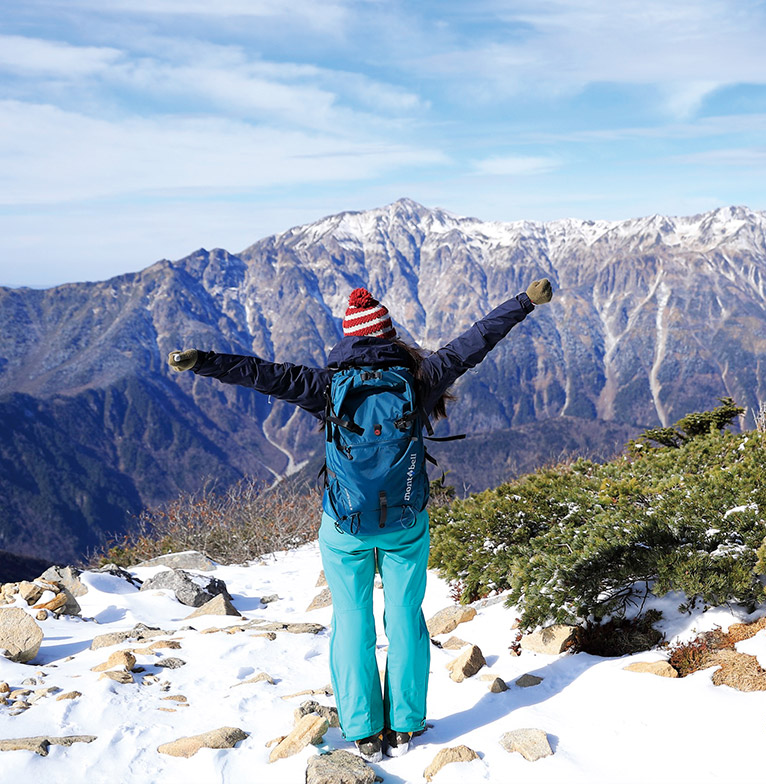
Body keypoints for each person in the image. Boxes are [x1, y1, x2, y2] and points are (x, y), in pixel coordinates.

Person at [167, 277, 553, 761]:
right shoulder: (421, 378)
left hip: (344, 526)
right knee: (406, 619)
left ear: (347, 340)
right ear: (391, 337)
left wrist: (202, 362)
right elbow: (476, 341)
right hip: (405, 523)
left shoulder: (326, 386)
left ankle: (363, 729)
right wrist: (523, 303)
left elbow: (260, 373)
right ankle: (407, 725)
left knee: (351, 621)